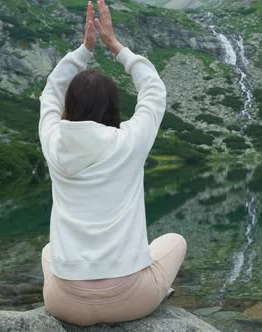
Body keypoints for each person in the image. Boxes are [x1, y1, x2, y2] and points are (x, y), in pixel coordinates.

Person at [38, 0, 187, 326]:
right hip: (130, 300)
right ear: (113, 107)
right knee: (175, 241)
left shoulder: (53, 142)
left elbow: (49, 93)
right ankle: (158, 291)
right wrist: (114, 45)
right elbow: (154, 90)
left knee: (49, 251)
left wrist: (83, 50)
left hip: (64, 303)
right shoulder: (129, 142)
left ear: (70, 106)